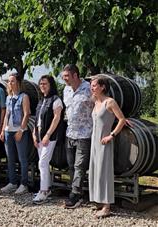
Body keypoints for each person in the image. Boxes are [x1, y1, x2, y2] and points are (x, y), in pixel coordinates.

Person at [89, 75, 126, 218]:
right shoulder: (95, 101)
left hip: (105, 142)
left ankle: (107, 206)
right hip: (94, 141)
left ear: (103, 87)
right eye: (91, 86)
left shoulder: (109, 102)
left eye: (94, 85)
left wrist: (112, 135)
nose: (92, 88)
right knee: (95, 170)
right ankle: (98, 200)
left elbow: (122, 119)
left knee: (104, 171)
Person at [62, 64, 94, 208]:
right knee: (71, 165)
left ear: (75, 75)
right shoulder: (66, 90)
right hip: (70, 133)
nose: (64, 79)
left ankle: (75, 195)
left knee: (79, 165)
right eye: (63, 76)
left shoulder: (89, 88)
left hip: (85, 133)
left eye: (67, 76)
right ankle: (76, 190)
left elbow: (100, 104)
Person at [32, 75, 65, 204]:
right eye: (40, 84)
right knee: (43, 163)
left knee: (42, 163)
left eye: (45, 84)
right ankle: (47, 188)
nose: (42, 86)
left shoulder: (56, 100)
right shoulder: (42, 100)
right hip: (40, 134)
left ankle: (43, 191)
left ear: (51, 85)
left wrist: (48, 134)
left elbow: (56, 118)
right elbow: (37, 119)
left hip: (50, 136)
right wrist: (35, 134)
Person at [0, 73, 30, 194]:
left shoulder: (24, 96)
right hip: (8, 131)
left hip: (19, 131)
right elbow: (7, 115)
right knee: (10, 158)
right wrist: (3, 130)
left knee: (22, 158)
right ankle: (12, 182)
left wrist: (21, 130)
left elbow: (27, 114)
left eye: (12, 81)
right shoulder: (8, 97)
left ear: (18, 82)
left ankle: (24, 184)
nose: (10, 83)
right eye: (9, 81)